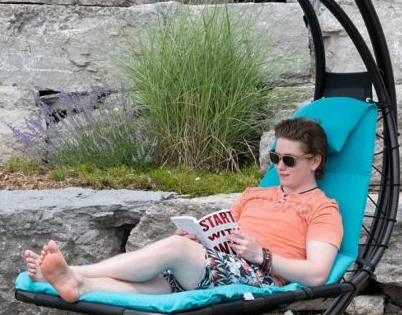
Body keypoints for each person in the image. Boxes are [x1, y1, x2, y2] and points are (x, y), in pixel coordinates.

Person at [23, 118, 343, 303]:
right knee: (154, 282)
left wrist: (263, 255)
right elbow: (225, 236)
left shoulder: (323, 209)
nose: (280, 167)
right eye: (275, 158)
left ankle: (75, 269)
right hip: (217, 265)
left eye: (289, 160)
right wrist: (200, 239)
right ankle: (78, 284)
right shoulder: (254, 195)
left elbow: (317, 274)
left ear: (314, 161)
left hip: (261, 278)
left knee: (176, 249)